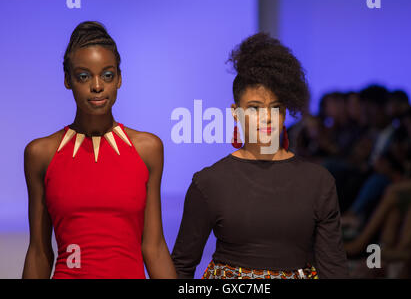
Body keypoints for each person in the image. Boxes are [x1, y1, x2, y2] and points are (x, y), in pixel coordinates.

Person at [171, 33, 349, 279]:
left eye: (275, 107)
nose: (266, 117)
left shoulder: (318, 182)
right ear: (236, 113)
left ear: (285, 112)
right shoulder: (209, 183)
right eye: (254, 107)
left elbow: (334, 269)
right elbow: (181, 267)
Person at [22, 21, 176, 279]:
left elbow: (154, 247)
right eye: (84, 76)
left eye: (107, 75)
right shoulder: (40, 154)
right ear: (68, 80)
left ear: (119, 79)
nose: (97, 86)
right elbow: (39, 251)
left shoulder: (148, 149)